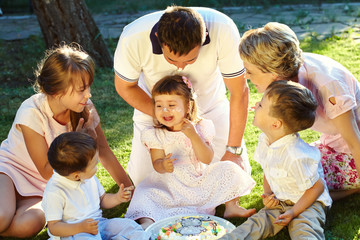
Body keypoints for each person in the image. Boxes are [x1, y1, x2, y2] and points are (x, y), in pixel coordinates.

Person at [0, 43, 132, 238]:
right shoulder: (31, 113)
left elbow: (103, 151)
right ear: (56, 91)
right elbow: (46, 171)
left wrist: (129, 191)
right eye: (81, 89)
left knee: (27, 226)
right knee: (2, 217)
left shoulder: (84, 107)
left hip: (44, 187)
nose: (88, 94)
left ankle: (13, 207)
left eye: (88, 87)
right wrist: (74, 140)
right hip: (11, 172)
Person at [114, 5, 250, 186]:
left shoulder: (223, 28)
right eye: (171, 59)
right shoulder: (133, 37)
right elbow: (125, 87)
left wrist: (233, 150)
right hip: (155, 109)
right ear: (158, 39)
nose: (180, 67)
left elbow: (239, 90)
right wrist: (164, 115)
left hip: (209, 106)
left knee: (234, 178)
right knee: (144, 181)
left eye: (190, 60)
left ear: (203, 39)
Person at [239, 22, 360, 200]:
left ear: (273, 72)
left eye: (250, 71)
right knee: (285, 171)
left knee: (296, 183)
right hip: (331, 143)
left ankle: (353, 190)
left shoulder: (329, 86)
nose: (246, 76)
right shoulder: (287, 78)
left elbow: (354, 142)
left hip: (352, 149)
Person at [125, 75, 256, 229]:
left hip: (197, 183)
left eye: (172, 105)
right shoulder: (155, 134)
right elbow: (156, 163)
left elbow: (207, 159)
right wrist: (163, 164)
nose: (165, 110)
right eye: (159, 106)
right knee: (144, 192)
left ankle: (231, 206)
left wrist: (194, 136)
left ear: (188, 106)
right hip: (170, 187)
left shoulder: (200, 128)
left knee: (229, 168)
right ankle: (148, 220)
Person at [221, 80, 332, 240]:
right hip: (282, 200)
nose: (256, 103)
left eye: (261, 105)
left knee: (304, 230)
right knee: (256, 224)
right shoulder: (265, 140)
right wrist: (269, 195)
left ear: (275, 124)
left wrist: (293, 212)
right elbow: (268, 169)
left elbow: (317, 187)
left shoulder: (296, 155)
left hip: (309, 202)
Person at [42, 132, 149, 239]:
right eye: (94, 165)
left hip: (99, 223)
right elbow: (54, 227)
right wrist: (80, 227)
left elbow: (102, 199)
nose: (97, 164)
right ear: (76, 176)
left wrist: (118, 197)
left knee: (128, 226)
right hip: (74, 233)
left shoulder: (88, 177)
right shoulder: (54, 191)